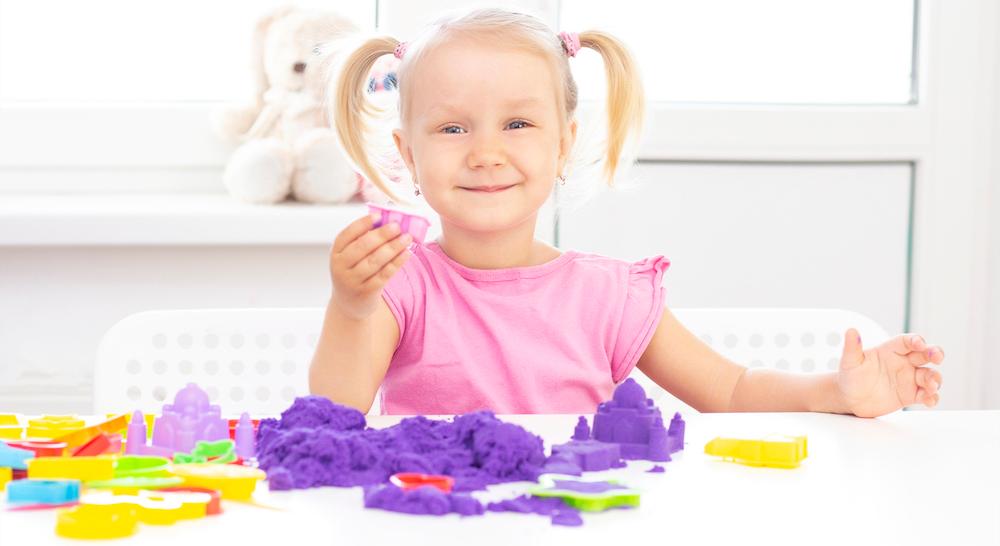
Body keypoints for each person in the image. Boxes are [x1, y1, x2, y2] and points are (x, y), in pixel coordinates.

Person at [309, 7, 944, 417]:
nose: (486, 153)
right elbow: (334, 414)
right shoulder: (400, 286)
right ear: (406, 155)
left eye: (518, 123)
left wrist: (836, 393)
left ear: (563, 144)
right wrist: (351, 306)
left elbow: (729, 391)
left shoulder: (607, 295)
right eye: (451, 129)